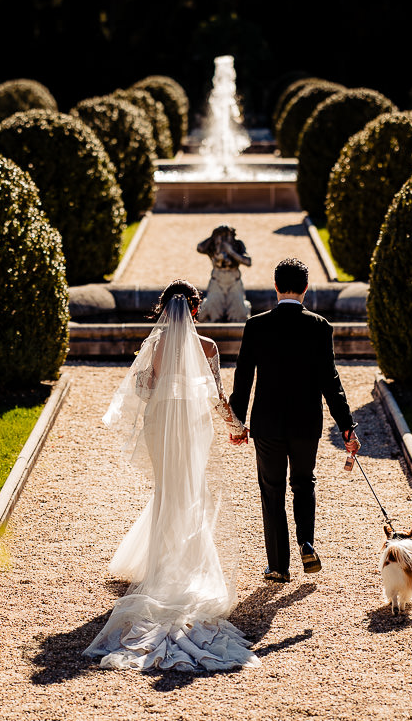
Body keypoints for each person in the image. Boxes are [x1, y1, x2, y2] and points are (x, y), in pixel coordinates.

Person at [84, 280, 259, 672]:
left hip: (161, 425)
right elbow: (216, 396)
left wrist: (166, 385)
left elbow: (143, 390)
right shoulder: (208, 348)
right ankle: (184, 568)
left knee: (167, 490)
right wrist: (236, 427)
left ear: (164, 309)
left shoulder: (155, 345)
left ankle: (161, 568)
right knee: (191, 493)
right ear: (196, 310)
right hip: (195, 428)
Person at [228, 257, 361, 583]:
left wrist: (236, 423)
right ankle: (306, 541)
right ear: (305, 287)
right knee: (304, 483)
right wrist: (346, 426)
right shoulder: (319, 326)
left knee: (271, 490)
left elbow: (243, 378)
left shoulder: (256, 326)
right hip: (305, 423)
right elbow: (330, 380)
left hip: (268, 424)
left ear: (275, 287)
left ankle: (278, 566)